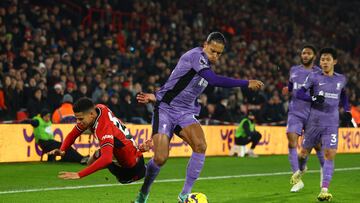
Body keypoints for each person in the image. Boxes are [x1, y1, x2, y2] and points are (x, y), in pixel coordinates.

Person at [134, 32, 264, 203]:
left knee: (201, 145)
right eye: (213, 51)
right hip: (165, 109)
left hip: (185, 113)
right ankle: (144, 192)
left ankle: (184, 196)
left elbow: (178, 83)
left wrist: (156, 94)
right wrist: (246, 83)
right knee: (160, 158)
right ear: (205, 45)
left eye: (219, 53)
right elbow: (214, 80)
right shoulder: (196, 56)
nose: (215, 56)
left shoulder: (206, 66)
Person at [48, 97, 152, 183]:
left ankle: (149, 165)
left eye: (80, 119)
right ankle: (138, 153)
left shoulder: (103, 128)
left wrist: (79, 174)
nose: (78, 122)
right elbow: (73, 134)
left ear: (91, 115)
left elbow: (106, 159)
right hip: (128, 151)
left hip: (129, 169)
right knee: (92, 161)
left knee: (109, 167)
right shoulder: (99, 108)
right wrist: (62, 150)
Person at [296, 48, 352, 201]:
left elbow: (345, 96)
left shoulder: (341, 79)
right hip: (313, 122)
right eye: (322, 59)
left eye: (328, 59)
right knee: (302, 155)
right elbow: (299, 93)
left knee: (329, 155)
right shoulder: (313, 77)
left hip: (332, 123)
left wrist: (347, 110)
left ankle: (324, 190)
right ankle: (301, 170)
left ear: (334, 61)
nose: (324, 62)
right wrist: (313, 99)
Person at [282, 45, 325, 192]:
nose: (305, 55)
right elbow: (290, 85)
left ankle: (322, 174)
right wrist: (287, 89)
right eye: (303, 53)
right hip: (295, 111)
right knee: (291, 139)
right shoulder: (294, 70)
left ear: (314, 56)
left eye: (308, 53)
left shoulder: (319, 73)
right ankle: (297, 180)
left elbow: (321, 95)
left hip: (312, 113)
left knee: (318, 145)